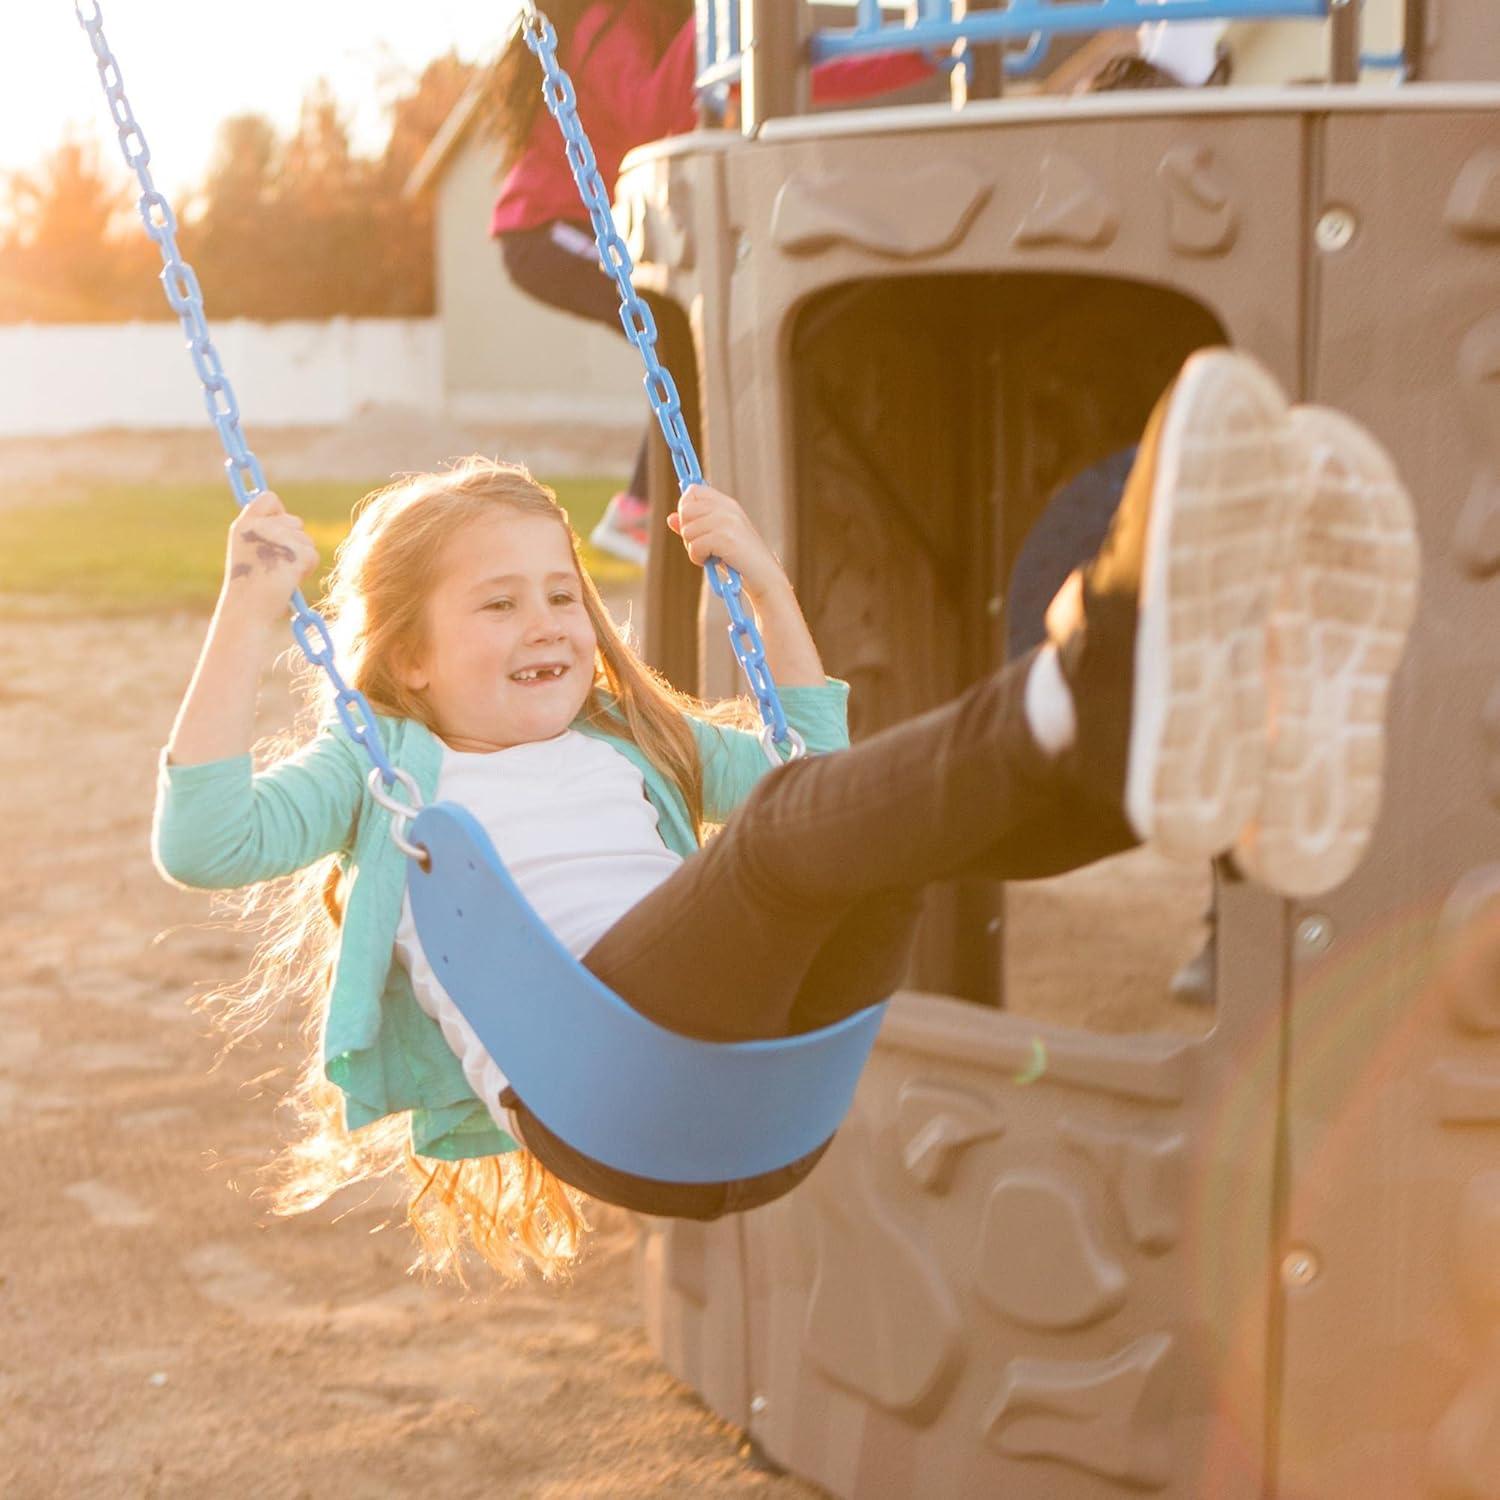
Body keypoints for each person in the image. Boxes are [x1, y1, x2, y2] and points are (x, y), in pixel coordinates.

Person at [152, 349, 1418, 1282]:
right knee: (784, 846)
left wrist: (761, 582)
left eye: (564, 598)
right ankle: (1107, 656)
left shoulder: (631, 740)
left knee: (885, 837)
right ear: (411, 657)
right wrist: (249, 614)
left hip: (762, 1093)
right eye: (499, 605)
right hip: (612, 1085)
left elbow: (825, 772)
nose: (549, 624)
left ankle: (1224, 764)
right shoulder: (387, 765)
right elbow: (203, 843)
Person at [489, 0, 934, 565]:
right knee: (677, 338)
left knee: (685, 342)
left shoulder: (671, 31)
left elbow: (809, 77)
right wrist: (708, 18)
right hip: (545, 229)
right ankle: (640, 509)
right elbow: (650, 117)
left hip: (577, 229)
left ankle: (644, 507)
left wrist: (918, 56)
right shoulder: (608, 22)